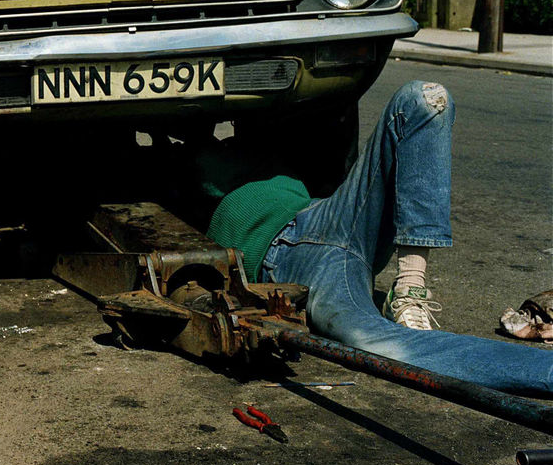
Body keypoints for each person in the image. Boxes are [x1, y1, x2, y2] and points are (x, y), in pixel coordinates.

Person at [205, 80, 553, 396]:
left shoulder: (234, 156)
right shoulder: (189, 173)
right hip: (297, 265)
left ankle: (410, 285)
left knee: (425, 98)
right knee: (379, 342)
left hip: (323, 221)